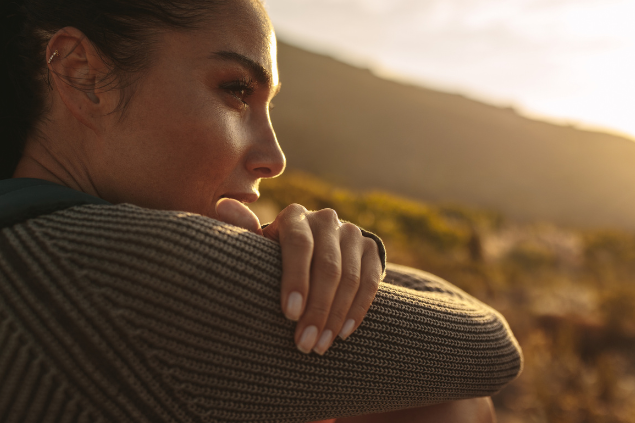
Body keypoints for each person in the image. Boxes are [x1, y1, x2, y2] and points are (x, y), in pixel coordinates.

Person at [0, 0, 522, 422]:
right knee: (447, 405)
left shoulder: (29, 236)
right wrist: (341, 266)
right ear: (80, 73)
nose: (274, 158)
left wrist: (335, 263)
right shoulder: (120, 265)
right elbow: (490, 347)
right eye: (235, 91)